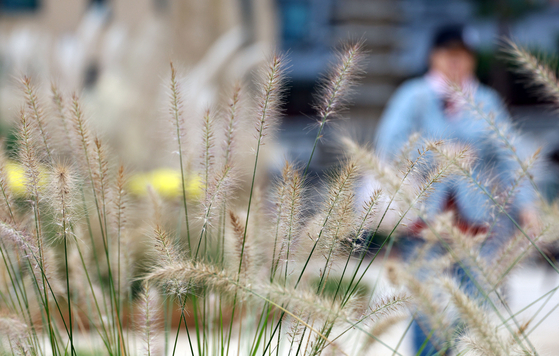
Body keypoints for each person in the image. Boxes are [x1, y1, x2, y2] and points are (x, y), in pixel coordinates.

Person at [374, 25, 537, 355]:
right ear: (433, 56)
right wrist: (438, 152)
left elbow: (510, 156)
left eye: (463, 56)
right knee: (427, 310)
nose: (456, 62)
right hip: (425, 223)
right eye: (449, 54)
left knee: (474, 310)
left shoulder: (486, 100)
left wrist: (527, 205)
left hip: (476, 225)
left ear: (472, 61)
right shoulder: (413, 96)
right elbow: (389, 146)